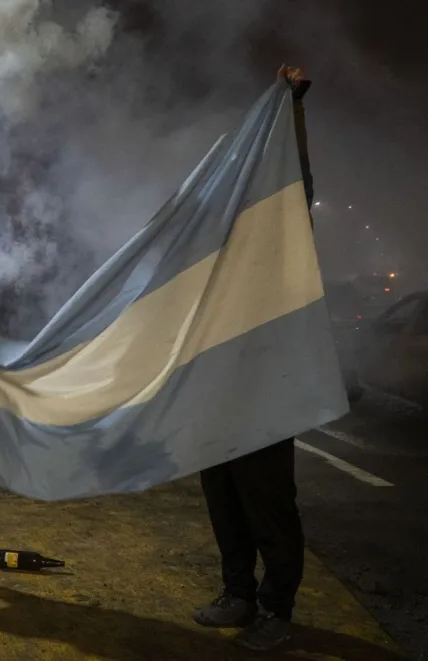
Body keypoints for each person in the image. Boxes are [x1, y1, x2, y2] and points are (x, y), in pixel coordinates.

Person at [191, 64, 314, 652]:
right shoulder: (200, 257)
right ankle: (236, 594)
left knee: (269, 508)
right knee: (225, 506)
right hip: (215, 400)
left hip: (264, 400)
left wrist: (291, 110)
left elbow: (297, 184)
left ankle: (277, 608)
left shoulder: (272, 242)